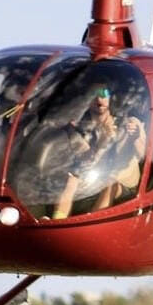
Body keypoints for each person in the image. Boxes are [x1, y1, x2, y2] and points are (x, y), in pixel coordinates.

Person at [52, 88, 119, 219]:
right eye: (94, 94)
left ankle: (92, 225)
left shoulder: (122, 122)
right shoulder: (77, 126)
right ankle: (58, 220)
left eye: (104, 93)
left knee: (111, 183)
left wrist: (113, 134)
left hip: (113, 175)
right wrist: (105, 138)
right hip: (87, 173)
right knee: (71, 181)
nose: (99, 99)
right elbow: (89, 160)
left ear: (111, 97)